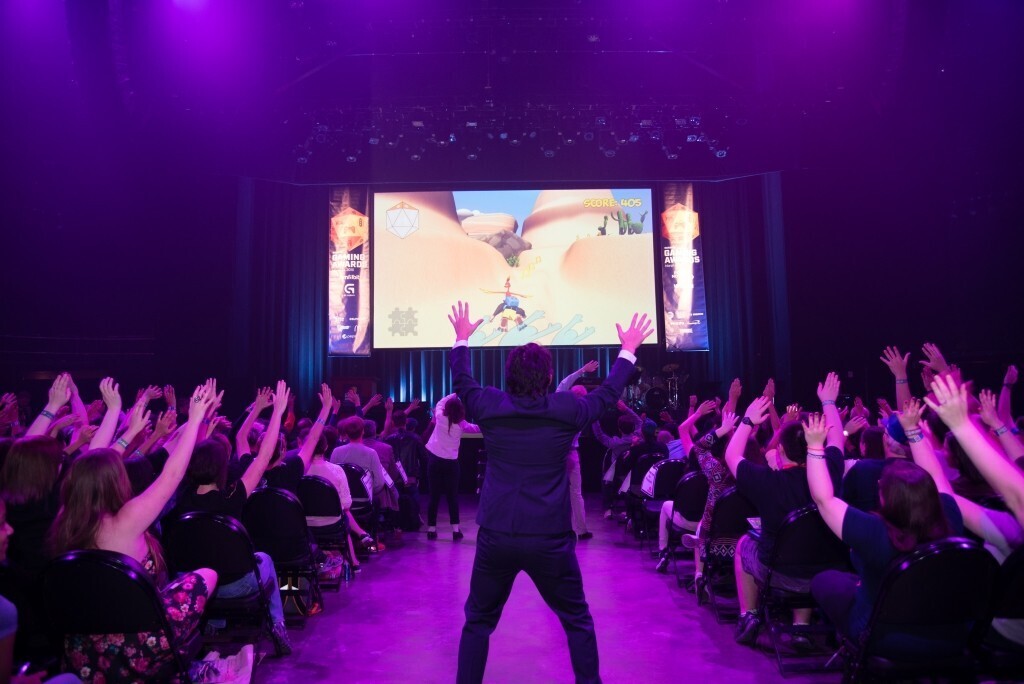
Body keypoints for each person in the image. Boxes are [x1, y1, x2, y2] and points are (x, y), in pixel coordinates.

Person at [449, 301, 653, 684]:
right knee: (577, 620)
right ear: (548, 377)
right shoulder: (566, 409)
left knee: (477, 622)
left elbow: (462, 382)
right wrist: (628, 350)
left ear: (509, 376)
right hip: (549, 538)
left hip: (498, 534)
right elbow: (607, 394)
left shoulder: (490, 404)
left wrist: (462, 339)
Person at [49, 380, 219, 683]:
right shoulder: (126, 519)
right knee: (207, 574)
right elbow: (172, 474)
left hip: (81, 651)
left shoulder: (64, 520)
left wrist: (119, 418)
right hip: (139, 645)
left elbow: (89, 467)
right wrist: (195, 420)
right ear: (115, 481)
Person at [423, 393, 480, 541]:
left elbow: (440, 403)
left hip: (435, 460)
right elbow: (476, 428)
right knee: (452, 497)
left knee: (434, 496)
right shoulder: (462, 424)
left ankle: (431, 529)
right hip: (451, 464)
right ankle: (455, 530)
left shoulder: (440, 416)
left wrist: (454, 394)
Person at [555, 361, 599, 540]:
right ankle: (581, 529)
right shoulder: (583, 413)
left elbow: (563, 384)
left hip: (556, 454)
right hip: (571, 453)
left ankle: (556, 529)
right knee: (576, 493)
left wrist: (582, 370)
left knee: (555, 491)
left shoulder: (558, 408)